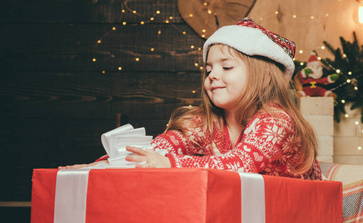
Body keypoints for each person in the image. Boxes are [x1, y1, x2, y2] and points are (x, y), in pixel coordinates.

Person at [63, 18, 322, 180]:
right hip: (246, 219)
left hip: (290, 221)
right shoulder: (205, 122)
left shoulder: (276, 121)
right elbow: (159, 149)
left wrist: (169, 164)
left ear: (264, 77)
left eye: (226, 68)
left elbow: (241, 164)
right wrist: (101, 166)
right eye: (208, 69)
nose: (212, 76)